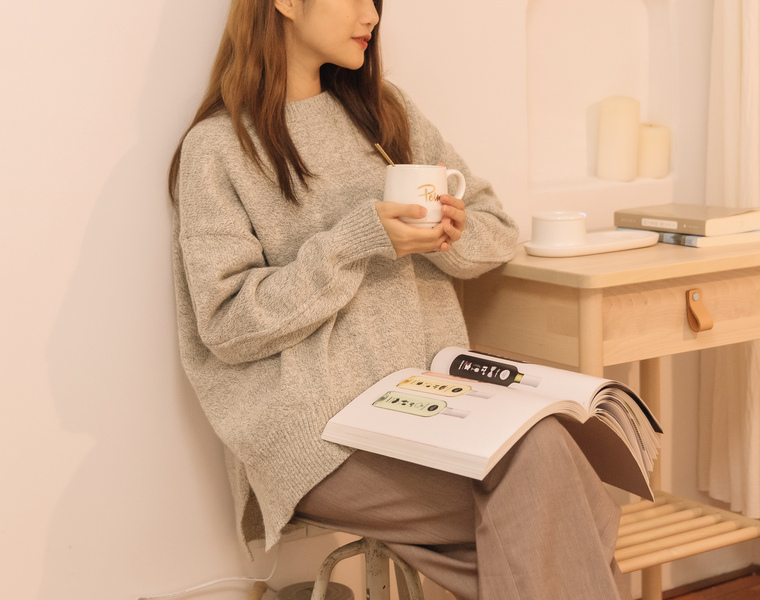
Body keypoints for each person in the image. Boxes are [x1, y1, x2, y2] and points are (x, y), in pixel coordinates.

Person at [169, 1, 628, 598]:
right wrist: (357, 242)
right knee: (559, 491)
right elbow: (227, 323)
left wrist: (450, 232)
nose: (372, 15)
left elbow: (497, 229)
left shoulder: (386, 114)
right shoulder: (218, 149)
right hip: (319, 432)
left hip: (434, 401)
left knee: (556, 466)